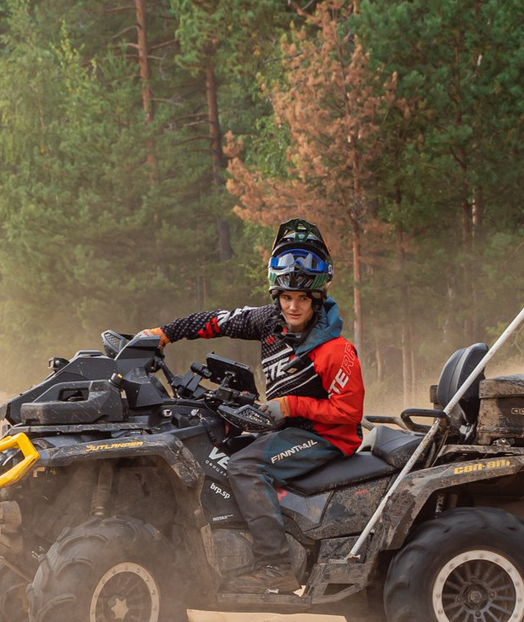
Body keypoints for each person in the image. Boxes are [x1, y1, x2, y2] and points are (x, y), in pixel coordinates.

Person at [137, 219, 364, 591]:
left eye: (302, 299)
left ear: (317, 299)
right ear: (277, 295)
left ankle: (277, 566)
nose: (293, 307)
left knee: (244, 467)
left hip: (328, 436)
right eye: (286, 297)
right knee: (216, 453)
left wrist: (292, 407)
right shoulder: (267, 321)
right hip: (286, 429)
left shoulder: (337, 351)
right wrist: (165, 333)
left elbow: (349, 416)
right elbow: (216, 321)